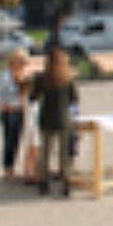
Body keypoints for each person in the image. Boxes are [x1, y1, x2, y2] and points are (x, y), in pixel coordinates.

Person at [31, 46, 79, 198]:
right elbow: (74, 99)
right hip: (63, 118)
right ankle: (66, 184)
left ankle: (43, 183)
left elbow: (33, 98)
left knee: (45, 152)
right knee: (64, 153)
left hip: (46, 117)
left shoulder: (41, 78)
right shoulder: (67, 79)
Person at [0, 49, 30, 182]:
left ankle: (19, 167)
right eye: (21, 62)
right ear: (14, 62)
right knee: (10, 141)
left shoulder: (25, 75)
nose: (23, 65)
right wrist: (1, 105)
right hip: (9, 112)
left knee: (20, 140)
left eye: (25, 63)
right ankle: (8, 168)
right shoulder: (5, 76)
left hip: (22, 111)